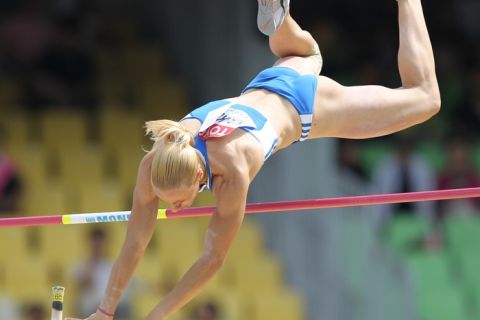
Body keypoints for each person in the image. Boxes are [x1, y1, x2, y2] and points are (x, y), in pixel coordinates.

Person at [66, 0, 440, 319]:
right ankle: (279, 22)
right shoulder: (162, 154)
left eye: (178, 200)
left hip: (306, 106)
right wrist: (106, 310)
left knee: (425, 99)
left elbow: (212, 260)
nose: (176, 208)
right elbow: (135, 241)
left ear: (200, 173)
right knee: (307, 53)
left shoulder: (232, 172)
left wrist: (157, 313)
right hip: (269, 82)